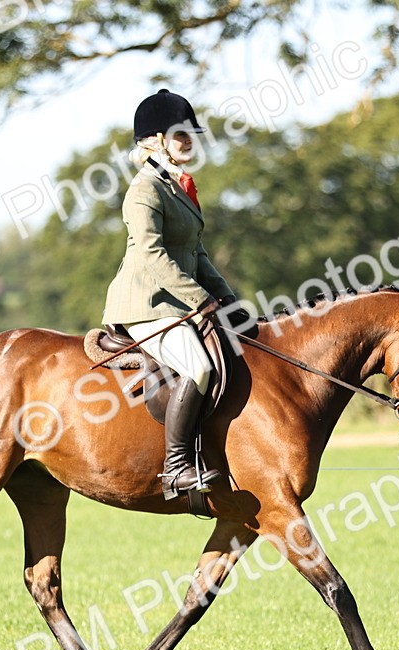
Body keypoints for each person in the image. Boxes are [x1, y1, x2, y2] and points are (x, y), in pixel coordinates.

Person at [102, 89, 243, 497]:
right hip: (145, 305)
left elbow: (196, 254)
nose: (189, 141)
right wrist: (200, 300)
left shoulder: (176, 187)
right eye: (179, 134)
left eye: (191, 134)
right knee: (198, 367)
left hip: (175, 301)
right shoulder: (144, 190)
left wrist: (230, 301)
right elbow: (152, 254)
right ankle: (176, 466)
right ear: (155, 140)